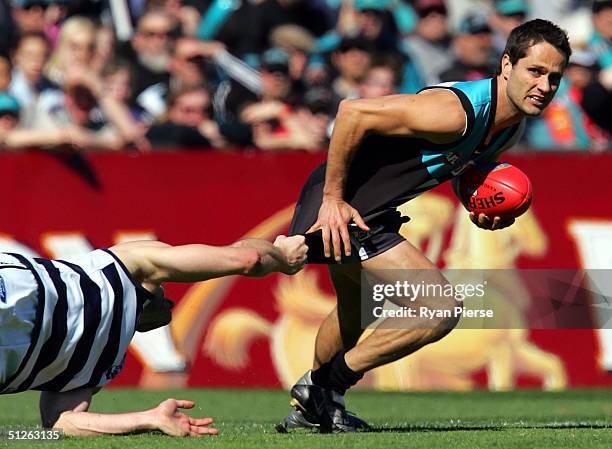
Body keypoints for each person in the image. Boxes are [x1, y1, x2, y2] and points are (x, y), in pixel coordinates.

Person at [277, 19, 571, 433]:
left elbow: (452, 167)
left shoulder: (509, 128)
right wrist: (332, 200)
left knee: (357, 307)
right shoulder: (453, 113)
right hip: (350, 205)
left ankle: (318, 405)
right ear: (506, 65)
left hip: (370, 207)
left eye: (554, 77)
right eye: (535, 71)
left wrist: (476, 204)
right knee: (438, 310)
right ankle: (323, 386)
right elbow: (352, 112)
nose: (545, 85)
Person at [0, 235, 308, 436]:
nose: (170, 300)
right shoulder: (127, 265)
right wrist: (283, 256)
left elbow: (59, 424)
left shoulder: (123, 266)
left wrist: (150, 418)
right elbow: (61, 422)